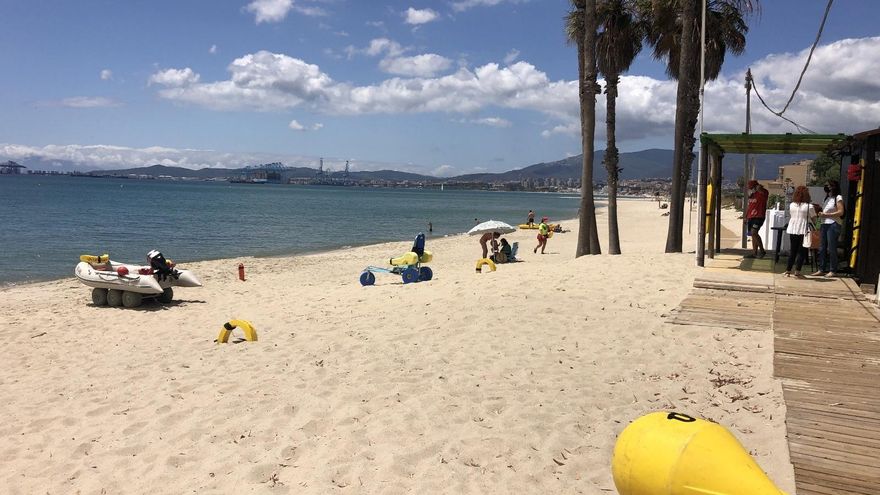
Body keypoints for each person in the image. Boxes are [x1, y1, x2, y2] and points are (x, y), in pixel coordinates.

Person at [812, 179, 844, 277]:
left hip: (833, 224)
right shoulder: (826, 198)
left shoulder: (838, 197)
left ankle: (833, 270)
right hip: (824, 224)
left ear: (834, 187)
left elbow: (841, 212)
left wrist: (827, 214)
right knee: (822, 247)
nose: (827, 187)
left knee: (831, 247)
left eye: (829, 185)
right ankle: (821, 269)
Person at [784, 186, 817, 278]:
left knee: (793, 251)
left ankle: (788, 270)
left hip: (792, 229)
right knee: (802, 251)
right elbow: (814, 219)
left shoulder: (792, 205)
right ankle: (797, 271)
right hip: (803, 230)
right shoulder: (809, 206)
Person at [744, 180, 768, 259]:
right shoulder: (752, 195)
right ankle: (754, 253)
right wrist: (745, 217)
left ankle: (762, 250)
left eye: (751, 187)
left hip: (759, 216)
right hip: (751, 217)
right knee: (752, 235)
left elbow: (764, 192)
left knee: (754, 232)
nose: (750, 189)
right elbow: (750, 207)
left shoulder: (763, 193)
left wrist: (760, 188)